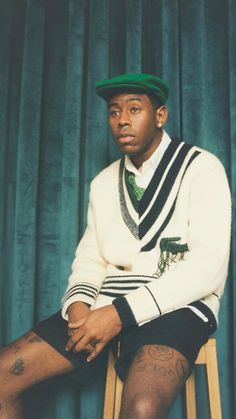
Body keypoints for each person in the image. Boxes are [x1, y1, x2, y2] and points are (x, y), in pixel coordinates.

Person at [0, 73, 231, 419]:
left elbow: (207, 267)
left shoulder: (202, 168)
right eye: (113, 112)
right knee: (4, 376)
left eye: (134, 109)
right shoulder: (104, 182)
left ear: (160, 115)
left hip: (178, 306)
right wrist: (78, 305)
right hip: (103, 305)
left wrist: (119, 315)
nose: (122, 120)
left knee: (142, 407)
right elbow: (91, 258)